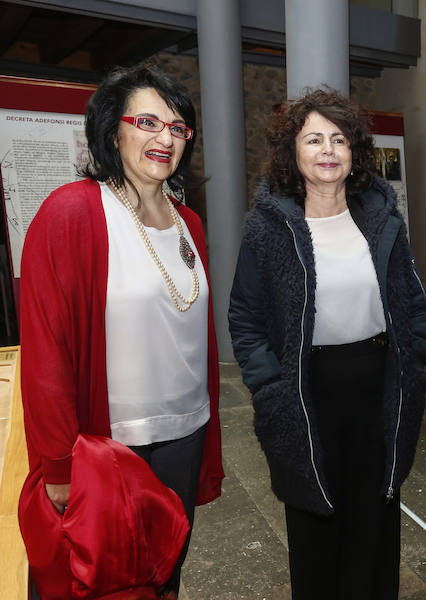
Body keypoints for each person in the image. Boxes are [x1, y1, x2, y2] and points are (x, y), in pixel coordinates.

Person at [19, 63, 224, 599]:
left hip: (185, 434)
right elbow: (47, 353)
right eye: (149, 122)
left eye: (178, 128)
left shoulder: (189, 223)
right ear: (114, 131)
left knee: (164, 576)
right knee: (101, 583)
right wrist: (59, 465)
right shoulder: (73, 213)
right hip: (108, 446)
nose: (165, 138)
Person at [228, 88, 426, 599]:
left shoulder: (382, 220)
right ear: (292, 152)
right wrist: (270, 388)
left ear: (354, 152)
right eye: (313, 138)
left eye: (339, 139)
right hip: (304, 395)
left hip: (379, 391)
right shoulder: (267, 228)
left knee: (376, 521)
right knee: (316, 525)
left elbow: (412, 302)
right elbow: (245, 319)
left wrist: (415, 363)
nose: (327, 150)